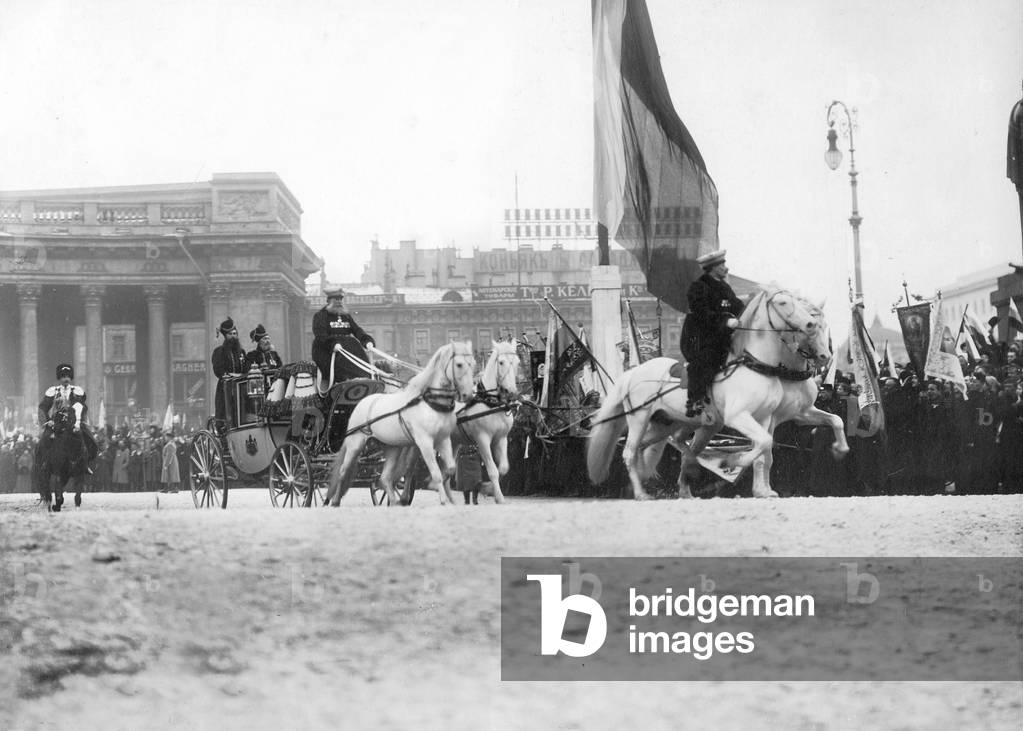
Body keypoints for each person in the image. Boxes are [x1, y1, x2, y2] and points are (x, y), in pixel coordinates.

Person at [679, 250, 745, 417]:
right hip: (700, 339)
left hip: (722, 338)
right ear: (712, 268)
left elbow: (738, 307)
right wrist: (725, 321)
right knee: (705, 360)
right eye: (722, 265)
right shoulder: (699, 287)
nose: (726, 268)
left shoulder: (725, 288)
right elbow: (702, 314)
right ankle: (695, 401)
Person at [312, 285, 376, 385]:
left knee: (363, 365)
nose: (339, 301)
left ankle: (364, 381)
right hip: (327, 349)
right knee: (342, 365)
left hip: (348, 348)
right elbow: (320, 335)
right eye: (336, 299)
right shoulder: (320, 316)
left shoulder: (345, 315)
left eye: (341, 298)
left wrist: (366, 341)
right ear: (329, 300)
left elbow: (356, 330)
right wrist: (332, 344)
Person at [38, 363, 98, 468]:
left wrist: (79, 421)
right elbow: (43, 407)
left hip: (74, 421)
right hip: (56, 422)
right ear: (59, 378)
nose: (66, 379)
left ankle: (87, 463)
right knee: (45, 440)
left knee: (89, 439)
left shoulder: (77, 391)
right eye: (63, 376)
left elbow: (82, 406)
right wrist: (48, 421)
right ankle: (44, 462)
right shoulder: (53, 391)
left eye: (68, 376)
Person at [211, 318, 245, 424]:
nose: (233, 336)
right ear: (225, 336)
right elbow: (218, 369)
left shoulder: (242, 352)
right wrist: (228, 375)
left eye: (235, 333)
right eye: (230, 334)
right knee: (225, 414)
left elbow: (246, 368)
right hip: (226, 387)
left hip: (241, 388)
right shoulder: (219, 351)